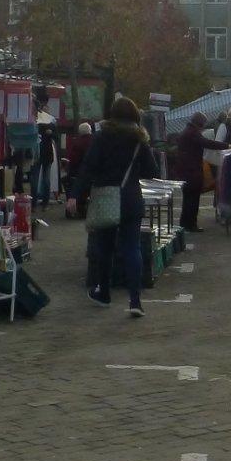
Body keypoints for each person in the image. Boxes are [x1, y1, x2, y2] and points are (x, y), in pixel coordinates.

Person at [73, 95, 160, 317]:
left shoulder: (102, 137)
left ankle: (104, 292)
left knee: (105, 247)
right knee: (132, 247)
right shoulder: (140, 139)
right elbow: (152, 171)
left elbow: (88, 167)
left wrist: (76, 196)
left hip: (106, 198)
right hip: (131, 198)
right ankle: (135, 301)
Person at [170, 112, 226, 233]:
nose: (203, 127)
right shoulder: (193, 133)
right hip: (192, 171)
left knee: (188, 198)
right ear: (199, 123)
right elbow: (207, 143)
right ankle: (190, 224)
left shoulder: (188, 131)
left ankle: (186, 224)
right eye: (203, 124)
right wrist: (226, 146)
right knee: (193, 199)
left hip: (186, 170)